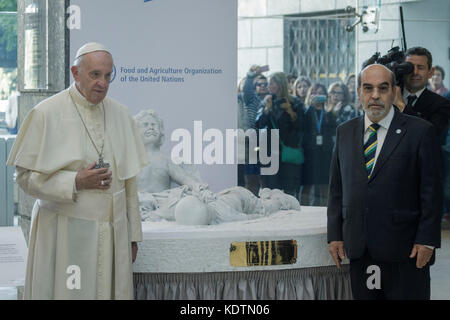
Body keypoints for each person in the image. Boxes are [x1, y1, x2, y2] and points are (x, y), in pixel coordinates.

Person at [6, 42, 149, 299]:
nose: (102, 83)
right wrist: (75, 181)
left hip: (112, 233)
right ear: (75, 73)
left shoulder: (121, 114)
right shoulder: (46, 113)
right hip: (65, 234)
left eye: (108, 76)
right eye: (95, 75)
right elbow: (25, 178)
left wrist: (132, 236)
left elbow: (129, 184)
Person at [328, 64, 443, 300]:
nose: (375, 96)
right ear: (359, 92)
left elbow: (431, 192)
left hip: (407, 250)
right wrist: (335, 235)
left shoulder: (420, 131)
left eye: (383, 88)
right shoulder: (344, 132)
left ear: (394, 92)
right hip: (360, 248)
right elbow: (337, 189)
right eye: (368, 88)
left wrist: (427, 240)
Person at [255, 72, 305, 198]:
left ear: (280, 84)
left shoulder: (295, 103)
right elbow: (259, 124)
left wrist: (290, 111)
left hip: (288, 150)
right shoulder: (266, 101)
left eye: (271, 83)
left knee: (289, 190)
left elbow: (302, 126)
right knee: (271, 189)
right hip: (270, 152)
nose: (268, 86)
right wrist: (267, 109)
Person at [394, 47, 450, 138]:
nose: (415, 72)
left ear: (430, 72)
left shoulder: (442, 104)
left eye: (420, 68)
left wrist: (401, 105)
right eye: (410, 67)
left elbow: (431, 133)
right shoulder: (388, 97)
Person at [301, 83, 336, 206]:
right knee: (307, 186)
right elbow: (302, 125)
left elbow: (334, 128)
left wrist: (331, 110)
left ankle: (325, 213)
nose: (318, 96)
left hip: (325, 153)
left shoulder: (328, 112)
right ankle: (304, 212)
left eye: (321, 93)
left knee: (325, 187)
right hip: (309, 154)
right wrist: (310, 106)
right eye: (314, 93)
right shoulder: (307, 110)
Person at [241, 65, 269, 195]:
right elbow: (246, 89)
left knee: (265, 179)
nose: (263, 86)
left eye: (265, 84)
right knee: (252, 178)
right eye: (259, 84)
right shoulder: (251, 99)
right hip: (252, 143)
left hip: (268, 143)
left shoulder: (271, 100)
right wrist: (250, 75)